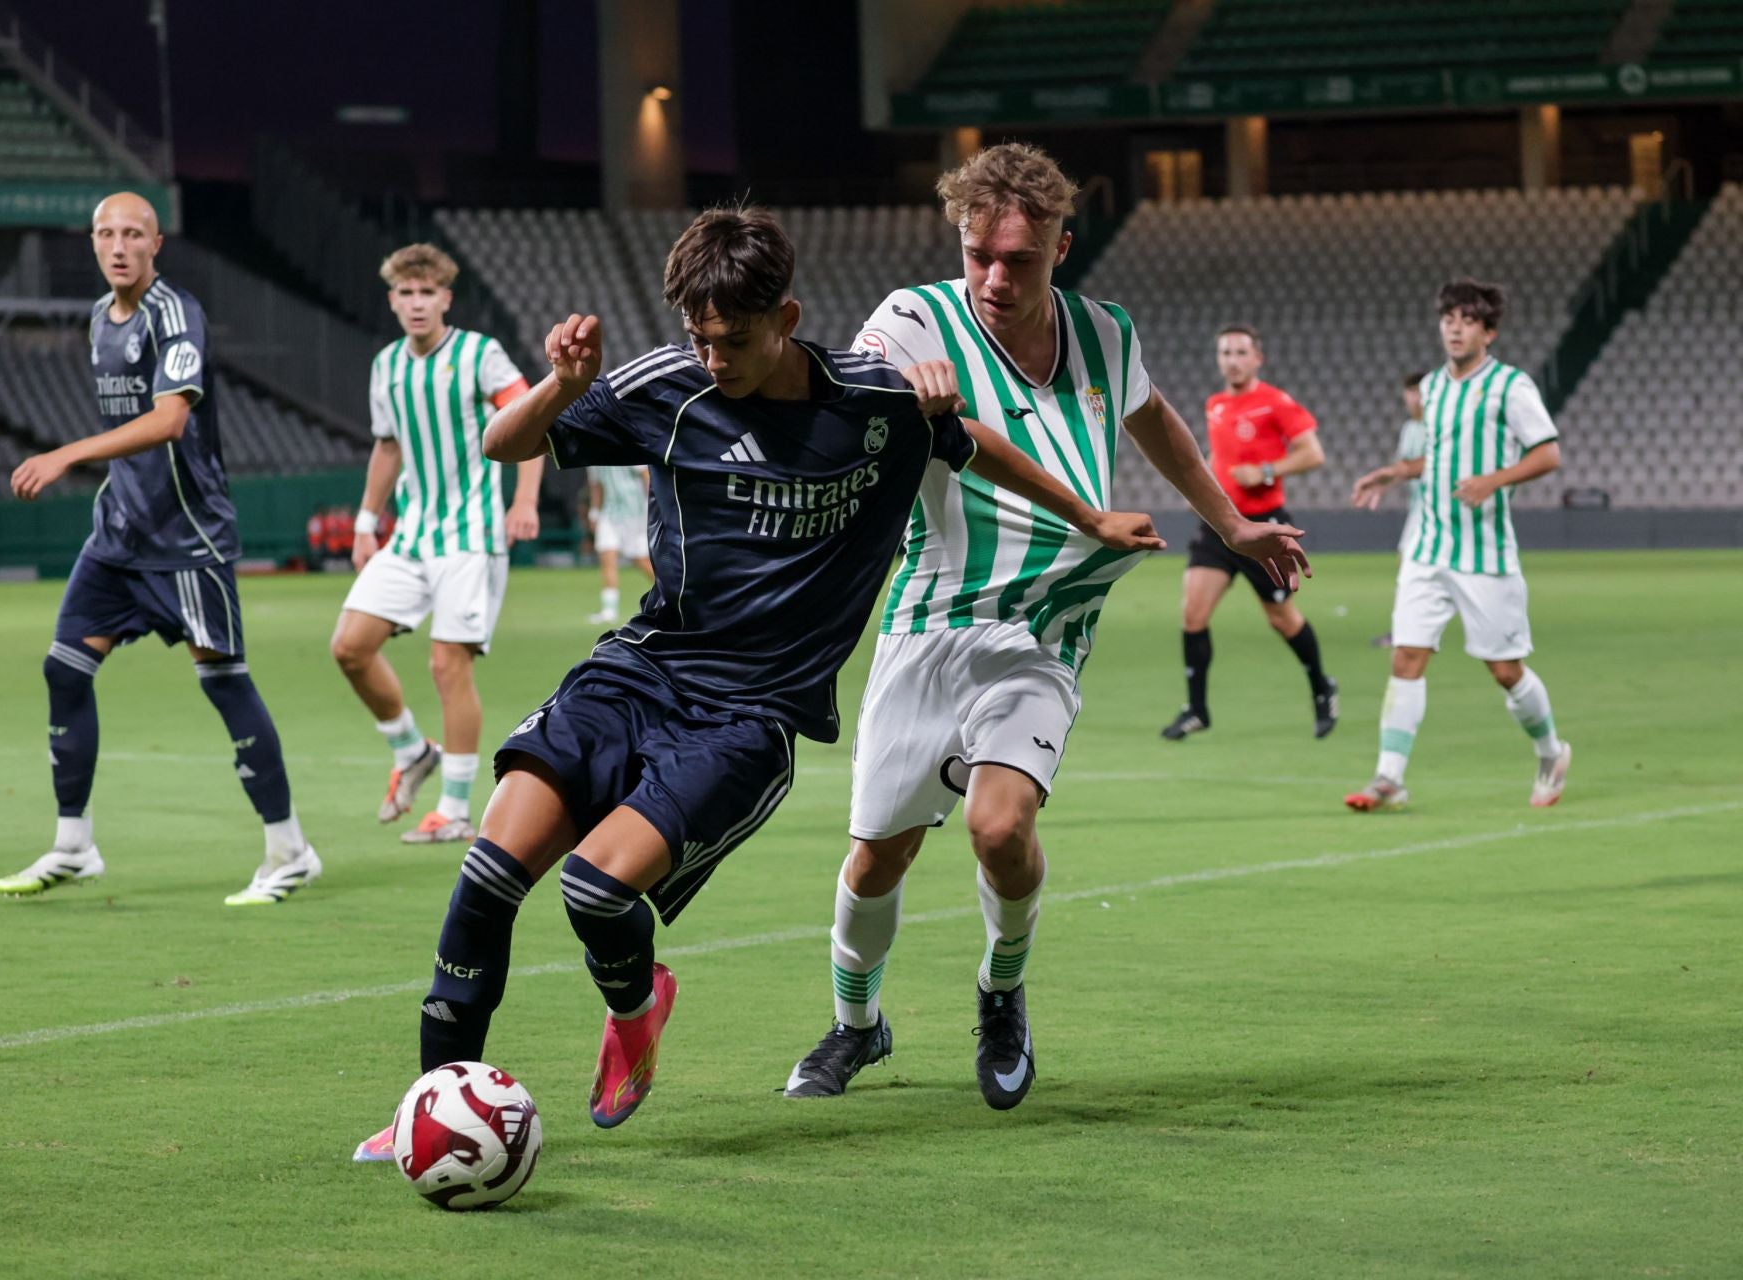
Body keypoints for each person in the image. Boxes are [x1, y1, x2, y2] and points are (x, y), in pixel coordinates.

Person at [353, 204, 1166, 1160]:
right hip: (640, 671)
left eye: (734, 339)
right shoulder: (668, 387)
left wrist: (1092, 516)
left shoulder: (876, 403)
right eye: (698, 337)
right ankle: (425, 1112)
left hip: (750, 716)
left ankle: (636, 1002)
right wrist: (561, 387)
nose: (714, 359)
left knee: (592, 893)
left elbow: (977, 443)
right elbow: (505, 446)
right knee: (487, 876)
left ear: (787, 317)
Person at [783, 143, 1312, 1108]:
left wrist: (1230, 521)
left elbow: (1153, 419)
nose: (993, 276)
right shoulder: (909, 321)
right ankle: (858, 1027)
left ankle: (1002, 991)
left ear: (1062, 248)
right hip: (927, 618)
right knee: (878, 855)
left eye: (1018, 259)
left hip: (1044, 623)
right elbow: (912, 434)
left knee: (1000, 827)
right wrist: (1077, 505)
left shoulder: (1106, 332)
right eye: (978, 252)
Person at [0, 192, 317, 906]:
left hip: (188, 539)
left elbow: (170, 422)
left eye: (133, 234)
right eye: (106, 233)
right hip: (119, 537)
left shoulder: (176, 314)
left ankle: (290, 850)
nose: (119, 245)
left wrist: (66, 455)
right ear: (92, 241)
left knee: (225, 682)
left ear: (156, 243)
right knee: (65, 669)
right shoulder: (96, 321)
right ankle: (74, 844)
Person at [328, 244, 542, 846]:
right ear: (392, 300)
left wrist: (522, 500)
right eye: (406, 293)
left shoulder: (480, 354)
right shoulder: (387, 365)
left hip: (471, 536)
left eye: (428, 293)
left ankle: (453, 808)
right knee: (350, 646)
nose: (417, 304)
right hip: (413, 534)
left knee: (448, 666)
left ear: (446, 298)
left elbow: (531, 416)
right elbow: (388, 446)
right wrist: (368, 521)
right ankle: (410, 749)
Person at [1346, 279, 1571, 811]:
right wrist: (1398, 473)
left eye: (1468, 319)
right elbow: (1444, 456)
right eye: (1449, 316)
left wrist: (1493, 480)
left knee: (1505, 670)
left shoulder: (1511, 387)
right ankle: (1389, 778)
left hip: (1484, 554)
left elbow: (1548, 454)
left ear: (1489, 332)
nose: (1454, 326)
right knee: (1406, 656)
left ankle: (1550, 751)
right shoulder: (1432, 388)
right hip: (1428, 547)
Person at [1159, 324, 1335, 740]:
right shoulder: (1216, 404)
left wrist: (1267, 470)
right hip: (1219, 526)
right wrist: (1200, 488)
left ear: (1258, 358)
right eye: (1225, 353)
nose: (1232, 360)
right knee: (1192, 613)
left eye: (1240, 352)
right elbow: (1217, 454)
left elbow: (1314, 454)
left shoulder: (1274, 402)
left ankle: (1322, 686)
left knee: (1282, 619)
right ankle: (1196, 709)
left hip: (1263, 527)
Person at [1372, 372, 1430, 649]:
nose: (1414, 398)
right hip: (1418, 507)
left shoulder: (1437, 426)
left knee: (1409, 563)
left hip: (1437, 506)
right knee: (1411, 565)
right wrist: (1383, 485)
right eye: (1410, 392)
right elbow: (1402, 466)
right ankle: (1413, 628)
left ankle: (1406, 631)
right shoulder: (1410, 428)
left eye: (1419, 392)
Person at [585, 464, 654, 624]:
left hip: (635, 514)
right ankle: (609, 610)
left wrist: (653, 507)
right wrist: (594, 513)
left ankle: (673, 595)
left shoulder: (626, 445)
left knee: (640, 560)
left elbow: (646, 476)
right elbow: (596, 484)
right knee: (607, 557)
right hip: (609, 513)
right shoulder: (591, 457)